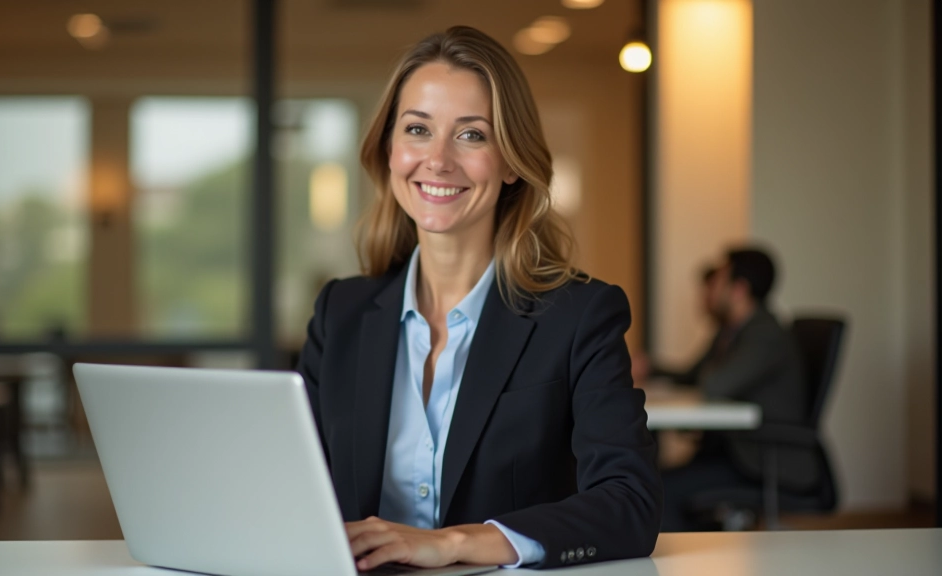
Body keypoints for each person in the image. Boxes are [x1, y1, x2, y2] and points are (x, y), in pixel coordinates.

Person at [296, 26, 661, 571]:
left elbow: (629, 505)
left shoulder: (580, 316)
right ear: (389, 151)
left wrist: (454, 543)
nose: (438, 160)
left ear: (512, 162)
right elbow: (295, 488)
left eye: (471, 135)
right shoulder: (340, 314)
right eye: (417, 129)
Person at [636, 247, 807, 532]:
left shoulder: (764, 334)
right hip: (733, 452)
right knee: (652, 480)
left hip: (761, 460)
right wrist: (651, 368)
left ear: (739, 289)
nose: (712, 288)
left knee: (659, 490)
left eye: (719, 280)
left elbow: (715, 384)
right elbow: (693, 376)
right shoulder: (732, 331)